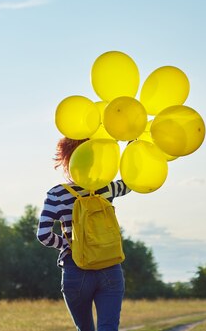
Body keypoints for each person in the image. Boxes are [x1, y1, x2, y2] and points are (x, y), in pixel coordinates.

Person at [36, 137, 132, 331]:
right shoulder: (106, 187)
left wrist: (69, 245)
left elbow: (43, 234)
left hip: (75, 268)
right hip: (109, 265)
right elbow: (130, 182)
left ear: (66, 160)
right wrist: (132, 145)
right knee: (108, 327)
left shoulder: (57, 194)